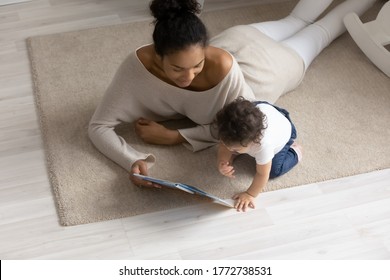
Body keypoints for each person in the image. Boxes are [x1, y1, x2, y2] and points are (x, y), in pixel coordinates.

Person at [88, 0, 376, 187]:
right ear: (157, 55)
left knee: (320, 30)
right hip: (235, 43)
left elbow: (245, 128)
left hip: (268, 70)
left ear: (205, 51)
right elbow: (98, 126)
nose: (188, 77)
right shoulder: (136, 67)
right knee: (295, 19)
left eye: (197, 65)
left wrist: (177, 136)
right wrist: (130, 159)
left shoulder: (222, 66)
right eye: (177, 69)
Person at [213, 97, 302, 212]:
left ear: (253, 142)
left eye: (234, 148)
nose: (228, 148)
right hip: (261, 109)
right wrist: (222, 162)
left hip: (285, 129)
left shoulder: (263, 146)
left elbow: (262, 174)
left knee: (273, 171)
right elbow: (224, 146)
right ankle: (238, 149)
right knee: (236, 125)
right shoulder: (234, 130)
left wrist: (249, 194)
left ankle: (295, 152)